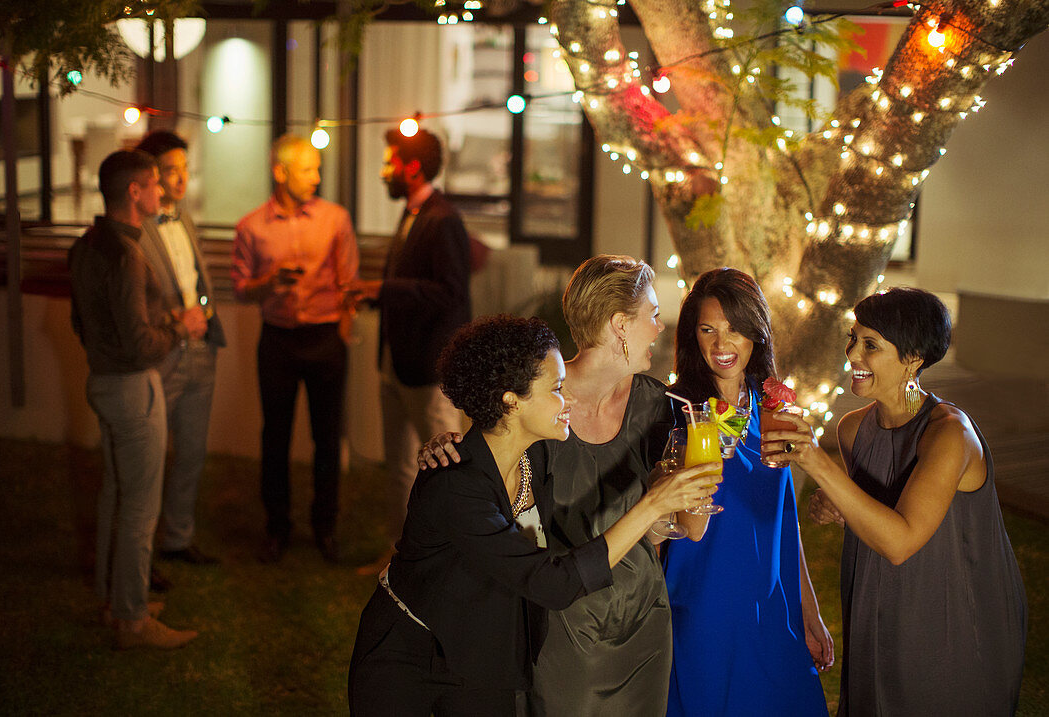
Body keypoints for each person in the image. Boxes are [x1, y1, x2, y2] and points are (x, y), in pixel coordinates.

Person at [348, 315, 719, 716]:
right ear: (510, 400)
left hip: (483, 659)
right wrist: (652, 505)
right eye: (558, 389)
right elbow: (553, 584)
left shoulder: (535, 455)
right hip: (411, 660)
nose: (570, 400)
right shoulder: (454, 485)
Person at [419, 255, 702, 714]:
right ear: (619, 326)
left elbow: (686, 524)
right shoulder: (536, 406)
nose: (659, 327)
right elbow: (483, 475)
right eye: (651, 315)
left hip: (645, 617)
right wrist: (447, 448)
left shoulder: (657, 406)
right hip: (563, 618)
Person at [767, 287, 1027, 716]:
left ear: (914, 357)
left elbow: (901, 540)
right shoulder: (853, 429)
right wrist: (834, 507)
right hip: (877, 607)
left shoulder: (949, 435)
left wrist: (817, 463)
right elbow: (873, 513)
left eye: (871, 345)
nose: (853, 355)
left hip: (952, 615)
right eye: (853, 339)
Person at [661, 267, 831, 716]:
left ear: (757, 332)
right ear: (691, 335)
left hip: (772, 609)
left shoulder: (773, 409)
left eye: (735, 330)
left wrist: (807, 610)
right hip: (702, 607)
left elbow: (783, 516)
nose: (721, 345)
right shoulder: (675, 412)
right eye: (708, 329)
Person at [69, 149, 198, 649]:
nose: (161, 191)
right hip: (131, 387)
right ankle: (132, 617)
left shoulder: (86, 245)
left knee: (115, 496)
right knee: (140, 507)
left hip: (101, 380)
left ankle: (112, 599)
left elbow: (81, 322)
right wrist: (181, 328)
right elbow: (139, 344)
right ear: (134, 192)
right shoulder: (127, 255)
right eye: (153, 184)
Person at [347, 127, 471, 571]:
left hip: (428, 370)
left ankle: (451, 558)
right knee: (399, 465)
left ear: (412, 167)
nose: (384, 170)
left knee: (444, 467)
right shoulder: (412, 213)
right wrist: (378, 296)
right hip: (396, 363)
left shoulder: (443, 219)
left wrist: (384, 288)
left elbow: (452, 293)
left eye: (389, 161)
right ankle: (400, 555)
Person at [231, 134, 360, 564]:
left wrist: (342, 330)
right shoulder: (251, 226)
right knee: (275, 437)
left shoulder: (336, 219)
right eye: (308, 169)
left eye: (318, 168)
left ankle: (325, 527)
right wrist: (269, 284)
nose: (317, 177)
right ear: (280, 172)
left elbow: (349, 284)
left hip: (324, 340)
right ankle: (277, 528)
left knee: (327, 439)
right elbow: (241, 288)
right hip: (278, 340)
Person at [135, 130, 226, 568]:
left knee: (192, 449)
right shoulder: (138, 227)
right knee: (149, 456)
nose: (181, 178)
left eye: (185, 168)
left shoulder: (184, 218)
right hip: (164, 351)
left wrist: (204, 316)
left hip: (201, 348)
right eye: (171, 170)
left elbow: (194, 278)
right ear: (150, 174)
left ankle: (177, 536)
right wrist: (177, 320)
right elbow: (140, 300)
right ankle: (142, 550)